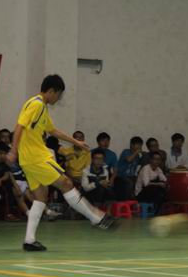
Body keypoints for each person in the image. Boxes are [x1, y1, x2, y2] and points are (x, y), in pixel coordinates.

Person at [7, 74, 118, 252]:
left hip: (28, 160)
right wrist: (13, 150)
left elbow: (53, 131)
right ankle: (96, 218)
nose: (58, 99)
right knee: (66, 183)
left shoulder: (40, 106)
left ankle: (29, 240)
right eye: (59, 95)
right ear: (51, 91)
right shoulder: (36, 105)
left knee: (41, 197)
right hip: (36, 157)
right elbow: (19, 126)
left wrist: (76, 142)